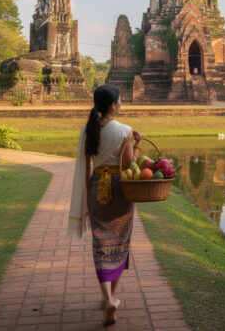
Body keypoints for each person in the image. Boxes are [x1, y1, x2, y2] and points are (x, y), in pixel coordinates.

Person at [68, 85, 143, 326]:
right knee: (120, 240)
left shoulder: (88, 129)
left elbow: (88, 168)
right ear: (112, 105)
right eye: (120, 100)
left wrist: (91, 193)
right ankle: (112, 297)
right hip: (120, 191)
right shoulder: (125, 131)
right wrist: (138, 144)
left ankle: (108, 298)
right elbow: (129, 164)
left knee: (100, 242)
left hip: (96, 189)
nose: (122, 103)